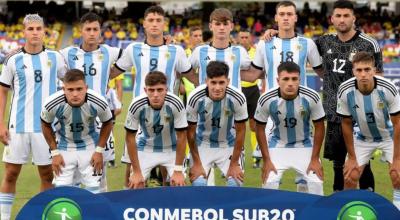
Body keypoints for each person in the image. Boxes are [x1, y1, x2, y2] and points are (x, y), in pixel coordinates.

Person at [110, 5, 196, 188]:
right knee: (131, 172)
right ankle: (129, 206)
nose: (155, 24)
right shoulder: (134, 49)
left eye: (158, 20)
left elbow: (193, 77)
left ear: (165, 24)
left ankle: (166, 208)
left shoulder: (176, 51)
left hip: (170, 114)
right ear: (144, 24)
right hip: (139, 114)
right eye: (151, 20)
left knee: (170, 174)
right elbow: (110, 73)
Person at [0, 14, 66, 220]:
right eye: (31, 29)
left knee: (47, 175)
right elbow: (2, 91)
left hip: (46, 129)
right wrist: (0, 123)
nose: (35, 32)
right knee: (11, 174)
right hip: (17, 127)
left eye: (39, 29)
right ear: (24, 32)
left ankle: (41, 216)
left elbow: (70, 84)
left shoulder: (55, 58)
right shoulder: (13, 59)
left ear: (45, 32)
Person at [315, 0, 381, 192]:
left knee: (363, 162)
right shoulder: (324, 41)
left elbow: (379, 77)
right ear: (332, 18)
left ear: (354, 18)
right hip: (335, 113)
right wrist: (274, 32)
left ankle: (368, 202)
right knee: (337, 163)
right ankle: (339, 202)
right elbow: (299, 46)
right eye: (338, 16)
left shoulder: (368, 43)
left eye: (346, 16)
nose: (342, 20)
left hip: (361, 113)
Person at [60, 12, 123, 192]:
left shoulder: (109, 52)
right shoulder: (68, 53)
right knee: (73, 174)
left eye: (95, 29)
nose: (92, 33)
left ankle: (100, 208)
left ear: (100, 31)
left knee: (99, 172)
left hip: (101, 121)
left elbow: (134, 55)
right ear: (81, 31)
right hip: (74, 120)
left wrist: (112, 74)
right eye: (88, 29)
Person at [336, 52, 400, 209]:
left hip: (389, 137)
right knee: (350, 176)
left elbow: (398, 124)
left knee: (397, 175)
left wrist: (397, 159)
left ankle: (397, 209)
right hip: (363, 137)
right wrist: (351, 157)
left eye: (367, 69)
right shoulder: (345, 90)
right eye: (359, 70)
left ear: (374, 70)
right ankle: (349, 212)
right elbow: (345, 122)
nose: (363, 74)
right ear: (353, 71)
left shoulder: (388, 88)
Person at [255, 61, 325, 195]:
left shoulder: (312, 96)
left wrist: (315, 159)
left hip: (304, 145)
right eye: (285, 79)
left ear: (300, 79)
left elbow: (320, 127)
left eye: (294, 79)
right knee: (269, 182)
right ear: (278, 80)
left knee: (316, 182)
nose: (290, 83)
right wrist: (267, 160)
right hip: (278, 144)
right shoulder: (266, 99)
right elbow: (259, 129)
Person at [41, 69, 113, 193]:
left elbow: (107, 122)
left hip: (90, 146)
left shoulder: (98, 101)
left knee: (94, 190)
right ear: (63, 89)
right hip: (64, 147)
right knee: (62, 192)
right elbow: (45, 124)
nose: (75, 94)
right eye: (70, 90)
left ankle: (93, 212)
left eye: (79, 89)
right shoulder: (51, 103)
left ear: (86, 88)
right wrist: (55, 153)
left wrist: (99, 151)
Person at [186, 61, 248, 187]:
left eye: (221, 82)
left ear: (228, 81)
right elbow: (190, 132)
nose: (217, 87)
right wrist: (197, 164)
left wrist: (235, 164)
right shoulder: (195, 97)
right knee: (198, 185)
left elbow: (241, 131)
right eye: (213, 82)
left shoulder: (238, 98)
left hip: (228, 144)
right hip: (202, 144)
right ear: (206, 81)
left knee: (234, 184)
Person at [125, 71, 187, 189]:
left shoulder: (176, 103)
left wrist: (178, 170)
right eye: (151, 90)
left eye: (159, 90)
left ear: (166, 89)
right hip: (146, 148)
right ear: (145, 90)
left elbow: (182, 137)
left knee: (179, 186)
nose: (155, 94)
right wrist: (137, 172)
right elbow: (130, 138)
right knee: (135, 184)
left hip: (172, 149)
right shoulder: (136, 105)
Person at [190, 8, 251, 89]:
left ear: (232, 26)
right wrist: (201, 83)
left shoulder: (240, 51)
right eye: (218, 24)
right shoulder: (199, 51)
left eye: (225, 24)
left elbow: (254, 74)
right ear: (210, 26)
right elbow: (184, 72)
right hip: (206, 101)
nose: (222, 27)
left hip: (233, 101)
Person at [237, 29, 266, 168]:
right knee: (237, 126)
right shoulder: (234, 52)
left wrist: (264, 89)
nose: (243, 39)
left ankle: (257, 156)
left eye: (246, 37)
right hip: (238, 91)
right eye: (241, 37)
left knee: (255, 125)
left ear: (251, 39)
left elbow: (263, 72)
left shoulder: (257, 52)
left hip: (253, 91)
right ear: (237, 39)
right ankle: (236, 157)